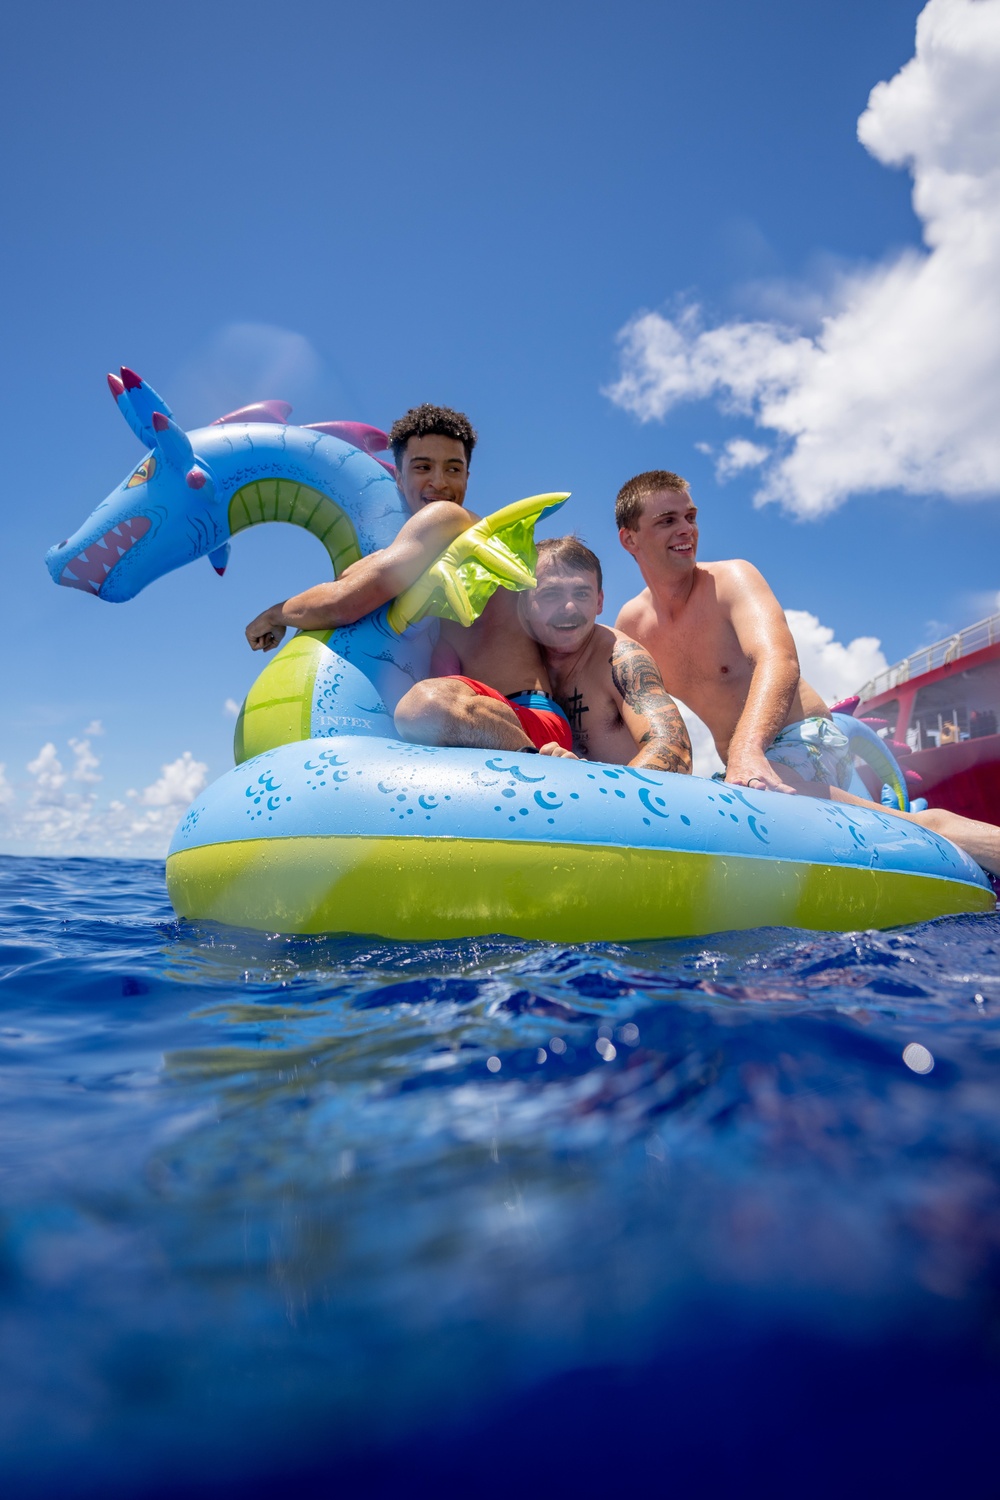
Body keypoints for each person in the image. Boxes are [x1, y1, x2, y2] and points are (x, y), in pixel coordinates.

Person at [613, 469, 1000, 874]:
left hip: (801, 736)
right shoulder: (634, 626)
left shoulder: (731, 579)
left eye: (690, 517)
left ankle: (931, 827)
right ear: (630, 539)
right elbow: (625, 712)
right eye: (667, 521)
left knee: (783, 801)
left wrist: (747, 752)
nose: (686, 530)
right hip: (746, 765)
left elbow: (779, 660)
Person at [244, 404, 571, 753]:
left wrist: (276, 613)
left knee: (421, 706)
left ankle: (539, 768)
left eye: (453, 468)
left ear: (467, 478)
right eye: (423, 467)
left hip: (516, 719)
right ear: (398, 477)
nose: (440, 482)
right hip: (481, 716)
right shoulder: (438, 543)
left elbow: (344, 602)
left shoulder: (446, 517)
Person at [517, 537, 692, 772]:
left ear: (599, 601)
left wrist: (590, 787)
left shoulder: (620, 659)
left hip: (622, 803)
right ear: (525, 603)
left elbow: (674, 750)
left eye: (581, 594)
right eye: (551, 594)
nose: (569, 607)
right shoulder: (515, 658)